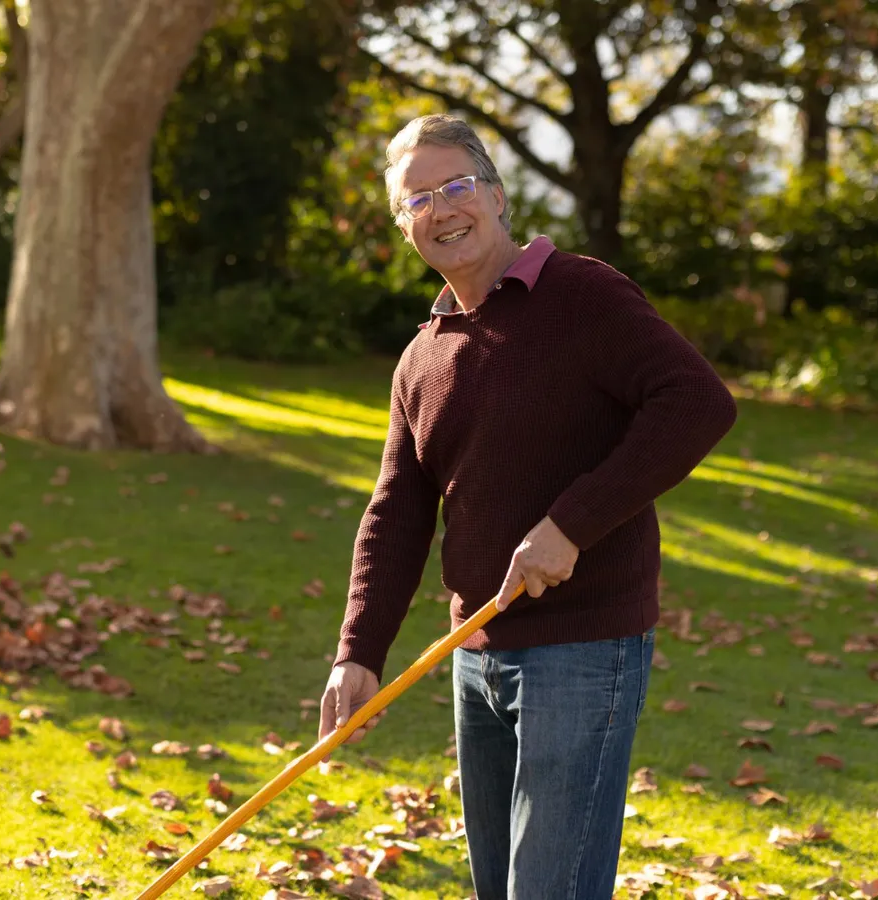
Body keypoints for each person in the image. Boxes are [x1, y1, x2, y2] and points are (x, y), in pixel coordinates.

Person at [316, 113, 738, 900]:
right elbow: (396, 512)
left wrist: (570, 525)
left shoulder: (582, 293)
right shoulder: (425, 353)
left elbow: (697, 403)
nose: (442, 209)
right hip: (473, 654)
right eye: (418, 199)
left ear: (498, 194)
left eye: (456, 185)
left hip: (582, 651)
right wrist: (357, 651)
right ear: (402, 226)